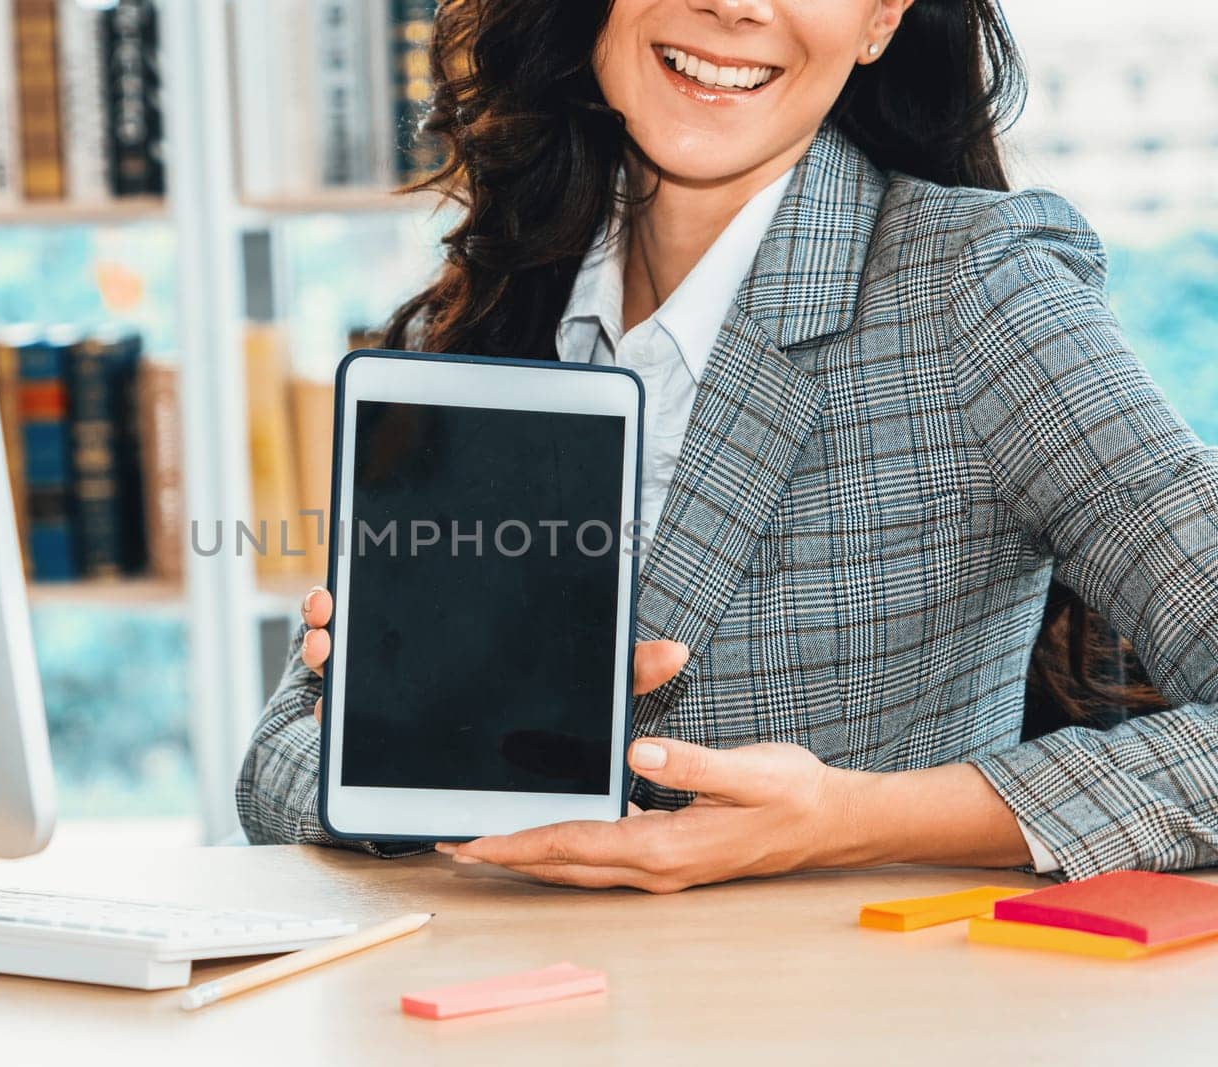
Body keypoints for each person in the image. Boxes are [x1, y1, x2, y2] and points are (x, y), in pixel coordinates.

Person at [236, 0, 1218, 890]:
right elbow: (275, 764)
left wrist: (850, 819)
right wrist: (423, 732)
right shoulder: (488, 309)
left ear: (879, 20)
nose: (733, 7)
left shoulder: (976, 291)